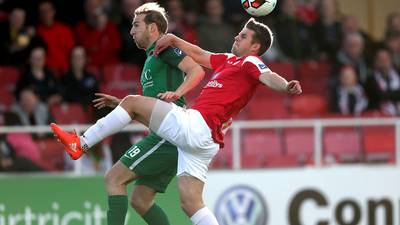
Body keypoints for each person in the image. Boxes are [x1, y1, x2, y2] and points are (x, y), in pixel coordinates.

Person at [51, 18, 302, 225]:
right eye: (239, 33)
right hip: (205, 140)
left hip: (197, 126)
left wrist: (286, 86)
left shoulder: (251, 62)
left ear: (255, 47)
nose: (237, 37)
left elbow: (268, 76)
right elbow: (200, 54)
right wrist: (173, 39)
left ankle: (81, 144)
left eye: (244, 36)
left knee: (131, 102)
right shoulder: (229, 60)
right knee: (191, 204)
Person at [57, 3, 205, 225]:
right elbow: (152, 109)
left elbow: (197, 70)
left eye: (136, 25)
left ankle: (82, 143)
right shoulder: (150, 59)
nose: (131, 31)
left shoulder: (164, 48)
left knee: (113, 179)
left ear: (153, 28)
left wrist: (177, 93)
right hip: (166, 134)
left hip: (168, 137)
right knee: (140, 200)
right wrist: (123, 106)